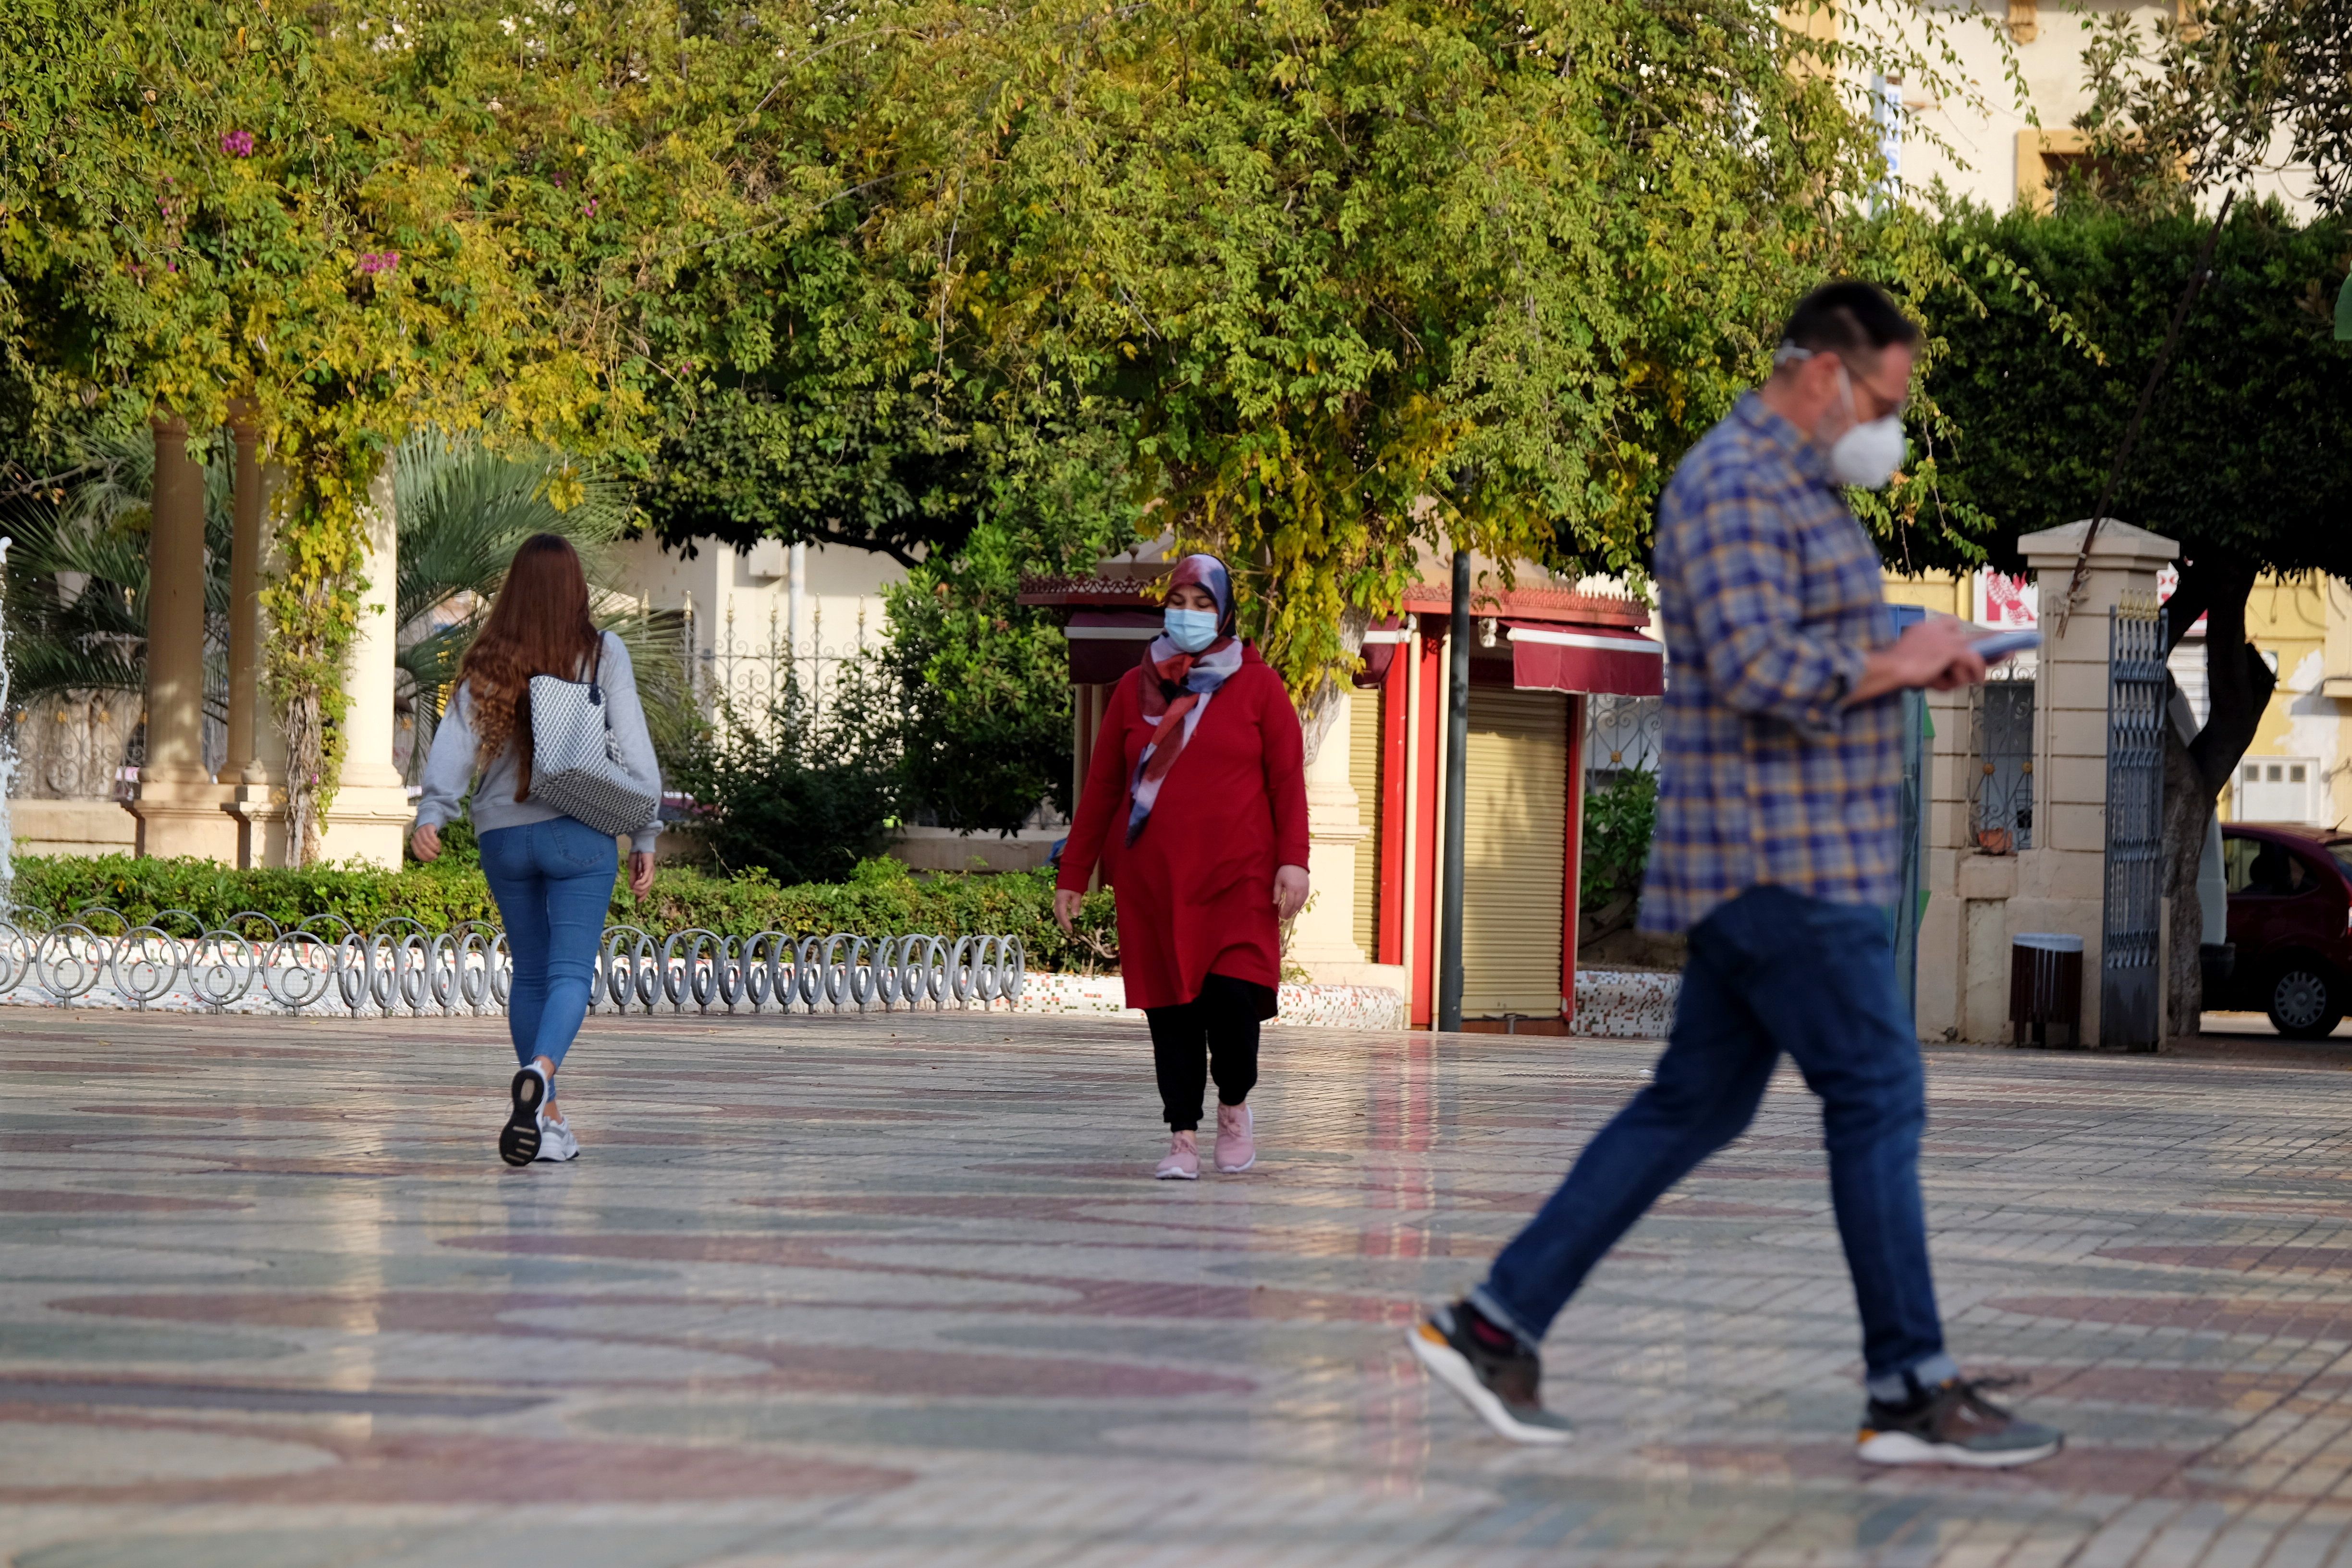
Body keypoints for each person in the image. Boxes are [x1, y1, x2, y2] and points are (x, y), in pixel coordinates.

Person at [1412, 282, 2064, 1468]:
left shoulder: (1802, 490)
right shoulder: (1731, 485)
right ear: (1823, 372)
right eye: (1885, 399)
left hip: (1797, 851)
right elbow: (1761, 668)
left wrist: (1923, 657)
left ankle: (1493, 1324)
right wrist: (1893, 657)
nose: (1890, 428)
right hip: (1777, 857)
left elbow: (1818, 646)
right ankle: (1909, 1385)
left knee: (1694, 1105)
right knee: (1877, 1091)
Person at [1053, 554, 1311, 1180]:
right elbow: (1103, 790)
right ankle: (1182, 1140)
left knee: (1231, 1003)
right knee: (1171, 1013)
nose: (1189, 614)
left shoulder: (1259, 687)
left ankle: (1235, 1102)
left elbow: (1287, 785)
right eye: (1180, 602)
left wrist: (1294, 863)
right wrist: (1073, 874)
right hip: (1152, 883)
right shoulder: (1133, 691)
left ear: (1224, 613)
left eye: (1203, 604)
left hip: (1238, 882)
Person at [411, 534, 661, 1167]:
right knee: (571, 974)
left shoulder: (489, 658)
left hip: (503, 836)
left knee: (530, 971)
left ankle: (548, 1124)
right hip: (579, 829)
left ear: (514, 590)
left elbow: (454, 746)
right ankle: (541, 1076)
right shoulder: (603, 653)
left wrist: (434, 812)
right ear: (576, 588)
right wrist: (646, 831)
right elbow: (634, 751)